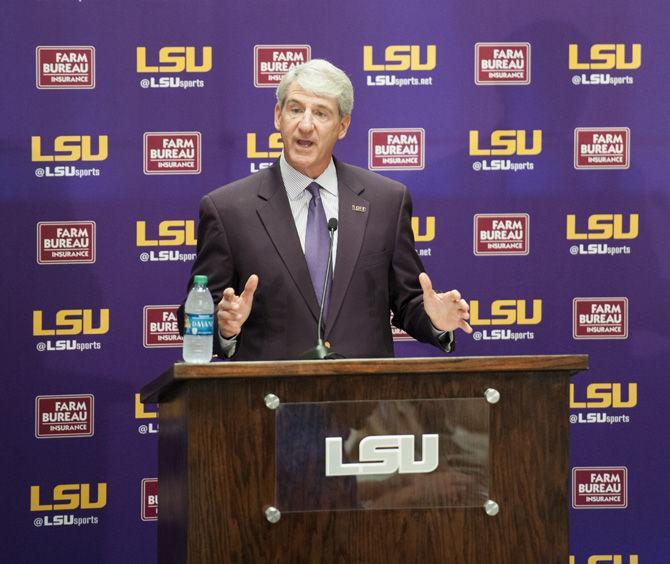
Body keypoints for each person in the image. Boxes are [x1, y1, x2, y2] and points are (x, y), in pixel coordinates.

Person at [180, 59, 471, 361]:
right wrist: (224, 326)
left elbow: (408, 302)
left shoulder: (386, 201)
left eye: (320, 113)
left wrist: (437, 321)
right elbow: (191, 317)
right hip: (268, 400)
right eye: (295, 109)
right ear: (278, 116)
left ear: (342, 126)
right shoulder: (228, 209)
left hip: (363, 400)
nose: (305, 124)